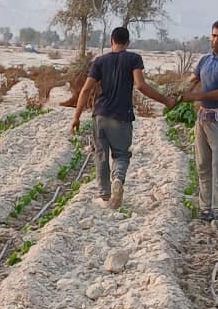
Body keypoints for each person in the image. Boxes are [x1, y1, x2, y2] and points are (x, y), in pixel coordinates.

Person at [72, 26, 177, 209]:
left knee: (101, 155)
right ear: (128, 43)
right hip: (122, 116)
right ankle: (118, 179)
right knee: (121, 155)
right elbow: (141, 85)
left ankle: (104, 197)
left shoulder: (99, 61)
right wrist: (165, 100)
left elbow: (86, 90)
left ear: (111, 41)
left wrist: (76, 117)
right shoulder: (134, 59)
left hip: (100, 114)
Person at [176, 19, 218, 230]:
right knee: (202, 165)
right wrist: (176, 93)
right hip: (203, 119)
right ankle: (205, 209)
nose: (216, 40)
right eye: (213, 35)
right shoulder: (205, 60)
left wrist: (196, 96)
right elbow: (192, 80)